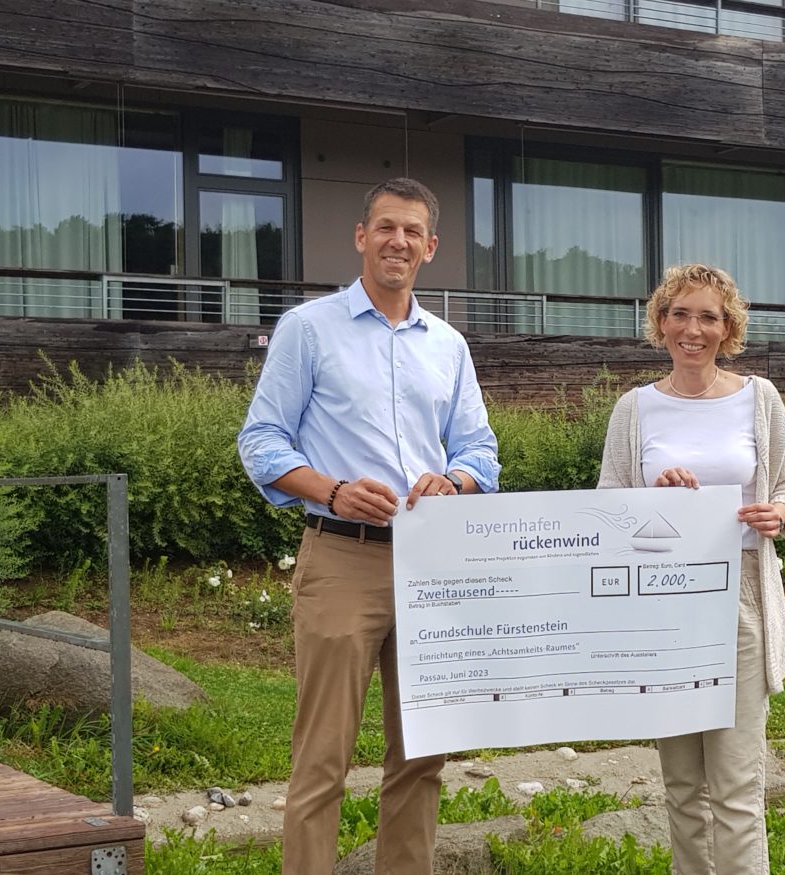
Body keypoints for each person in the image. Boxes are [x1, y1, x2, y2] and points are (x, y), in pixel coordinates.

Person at [238, 177, 500, 875]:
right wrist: (333, 490)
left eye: (413, 231)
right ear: (361, 235)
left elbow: (481, 452)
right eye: (386, 226)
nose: (398, 241)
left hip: (431, 564)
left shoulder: (449, 345)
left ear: (431, 247)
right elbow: (261, 442)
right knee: (322, 756)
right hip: (342, 559)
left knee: (422, 755)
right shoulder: (307, 328)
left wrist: (455, 480)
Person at [596, 263, 785, 875]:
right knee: (683, 784)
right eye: (680, 314)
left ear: (728, 328)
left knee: (736, 782)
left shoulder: (759, 398)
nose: (693, 329)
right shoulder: (635, 408)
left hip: (739, 595)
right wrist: (653, 497)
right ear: (661, 323)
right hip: (663, 603)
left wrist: (779, 512)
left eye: (708, 317)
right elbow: (606, 504)